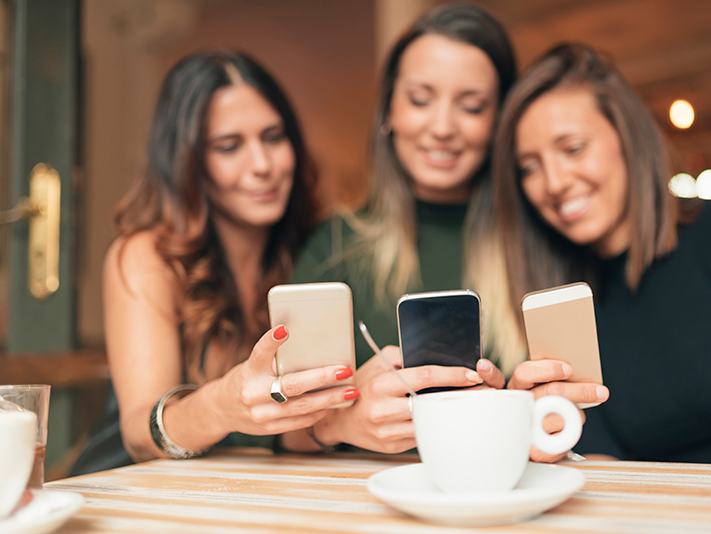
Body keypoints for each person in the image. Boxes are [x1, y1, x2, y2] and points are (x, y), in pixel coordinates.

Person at [494, 43, 711, 466]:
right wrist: (546, 446)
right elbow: (606, 473)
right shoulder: (566, 311)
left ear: (627, 138)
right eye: (529, 166)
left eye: (573, 148)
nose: (554, 182)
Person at [283, 3, 556, 455]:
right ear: (389, 109)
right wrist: (337, 425)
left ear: (498, 124)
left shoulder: (543, 240)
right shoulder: (333, 246)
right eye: (420, 99)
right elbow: (277, 428)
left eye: (471, 106)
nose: (443, 127)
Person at [70, 52, 359, 475]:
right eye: (229, 147)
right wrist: (222, 406)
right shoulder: (146, 256)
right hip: (134, 484)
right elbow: (136, 434)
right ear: (188, 163)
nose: (262, 165)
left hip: (252, 488)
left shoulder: (316, 248)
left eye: (274, 137)